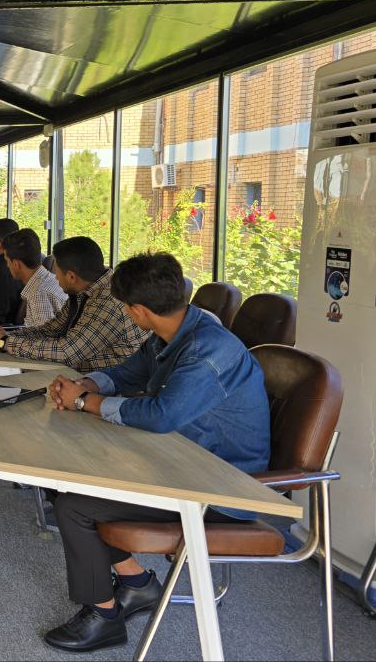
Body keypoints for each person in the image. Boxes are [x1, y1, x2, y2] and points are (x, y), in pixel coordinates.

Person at [40, 252, 271, 652]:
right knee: (63, 478)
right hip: (178, 464)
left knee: (75, 506)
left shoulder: (207, 350)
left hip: (219, 489)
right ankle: (136, 582)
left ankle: (104, 616)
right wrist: (87, 385)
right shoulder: (175, 331)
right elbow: (128, 373)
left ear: (139, 311)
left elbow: (162, 416)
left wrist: (83, 403)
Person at [0, 236, 149, 372]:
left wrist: (4, 342)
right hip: (78, 374)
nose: (55, 277)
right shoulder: (84, 292)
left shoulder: (108, 301)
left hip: (105, 385)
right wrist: (4, 334)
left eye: (56, 271)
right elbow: (51, 329)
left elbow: (67, 352)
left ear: (72, 276)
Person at [2, 228, 66, 327]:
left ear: (16, 264)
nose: (7, 265)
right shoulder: (49, 279)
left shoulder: (38, 293)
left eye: (7, 261)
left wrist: (4, 337)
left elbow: (43, 336)